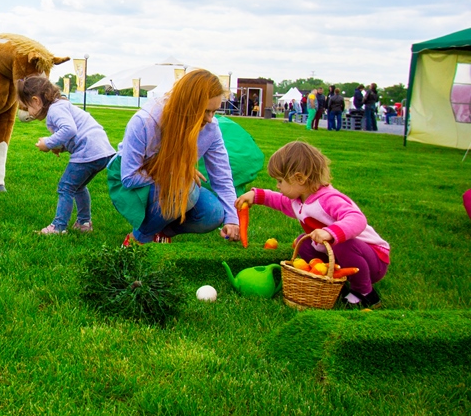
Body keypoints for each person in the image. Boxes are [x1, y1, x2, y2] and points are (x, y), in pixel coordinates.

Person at [235, 140, 389, 308]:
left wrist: (331, 232)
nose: (277, 186)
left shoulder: (328, 199)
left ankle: (365, 293)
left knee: (343, 244)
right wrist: (256, 196)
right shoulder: (298, 198)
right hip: (342, 255)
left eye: (280, 181)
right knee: (305, 242)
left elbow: (357, 219)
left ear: (299, 178)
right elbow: (279, 200)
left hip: (373, 259)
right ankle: (331, 278)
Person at [112, 69, 240, 245]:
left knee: (213, 213)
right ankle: (138, 239)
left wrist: (232, 219)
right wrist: (178, 172)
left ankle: (160, 231)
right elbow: (129, 177)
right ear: (189, 106)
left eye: (214, 112)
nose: (210, 119)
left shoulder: (211, 129)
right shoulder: (144, 122)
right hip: (129, 184)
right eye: (206, 111)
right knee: (185, 189)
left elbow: (222, 177)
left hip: (168, 182)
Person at [16, 76, 115, 235]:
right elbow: (72, 134)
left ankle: (59, 226)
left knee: (66, 187)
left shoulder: (55, 109)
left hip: (88, 150)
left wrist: (48, 142)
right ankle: (84, 222)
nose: (28, 112)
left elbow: (69, 129)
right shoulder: (61, 105)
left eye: (27, 107)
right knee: (78, 186)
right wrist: (60, 148)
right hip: (101, 151)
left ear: (36, 101)